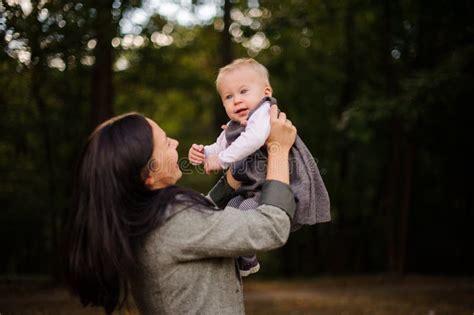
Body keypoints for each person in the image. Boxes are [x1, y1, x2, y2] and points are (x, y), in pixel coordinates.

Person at [64, 105, 297, 314]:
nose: (175, 142)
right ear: (149, 174)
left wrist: (237, 169)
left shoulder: (142, 218)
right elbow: (271, 227)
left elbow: (202, 220)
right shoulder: (174, 222)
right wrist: (278, 148)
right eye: (165, 142)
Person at [188, 58, 331, 277]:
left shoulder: (264, 113)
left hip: (277, 186)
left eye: (243, 91)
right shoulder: (235, 125)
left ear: (265, 92)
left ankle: (246, 257)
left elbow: (253, 140)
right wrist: (204, 153)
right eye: (229, 96)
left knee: (245, 215)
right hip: (252, 187)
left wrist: (223, 159)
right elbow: (220, 145)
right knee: (231, 210)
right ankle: (247, 260)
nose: (236, 100)